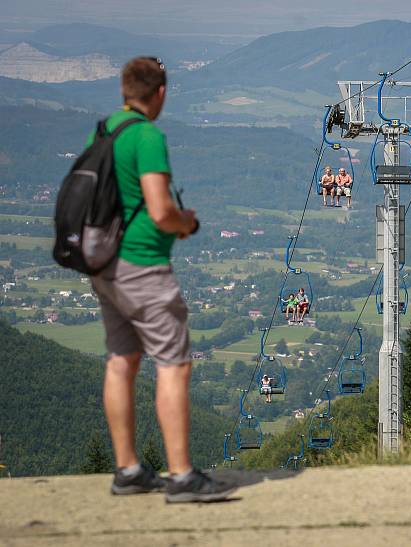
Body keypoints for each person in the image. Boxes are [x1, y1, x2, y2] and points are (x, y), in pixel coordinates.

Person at [89, 57, 235, 503]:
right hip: (143, 265)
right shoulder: (147, 135)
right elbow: (158, 209)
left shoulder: (106, 129)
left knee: (122, 360)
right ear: (162, 93)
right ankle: (181, 475)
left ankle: (128, 468)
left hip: (106, 265)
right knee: (174, 364)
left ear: (123, 90)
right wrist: (185, 222)